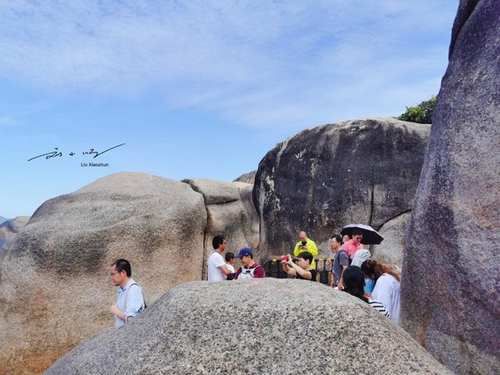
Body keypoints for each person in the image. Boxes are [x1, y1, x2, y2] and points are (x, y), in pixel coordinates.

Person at [109, 259, 146, 328]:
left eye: (113, 274)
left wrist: (116, 311)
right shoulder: (122, 290)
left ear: (123, 273)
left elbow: (133, 321)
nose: (111, 278)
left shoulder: (133, 290)